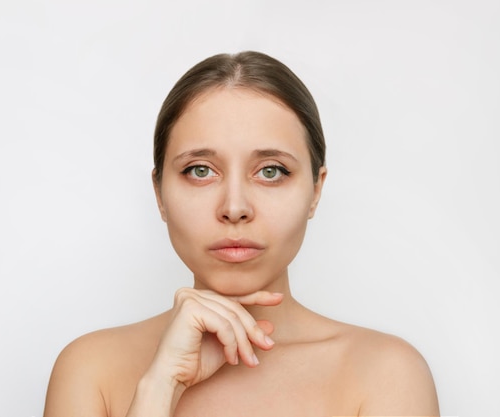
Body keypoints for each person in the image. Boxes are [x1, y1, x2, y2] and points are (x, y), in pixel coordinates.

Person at [43, 51, 439, 417]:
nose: (234, 207)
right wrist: (159, 387)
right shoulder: (90, 370)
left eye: (271, 171)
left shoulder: (385, 374)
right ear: (159, 194)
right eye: (200, 170)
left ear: (315, 191)